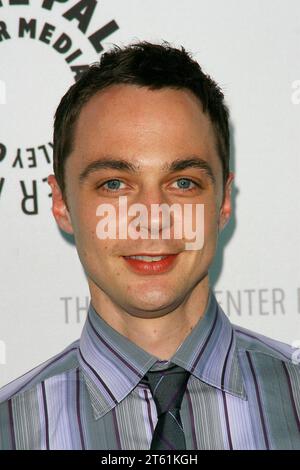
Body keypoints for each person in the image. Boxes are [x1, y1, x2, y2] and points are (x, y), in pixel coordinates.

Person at [0, 41, 299, 451]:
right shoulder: (9, 429)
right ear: (61, 203)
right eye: (114, 184)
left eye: (183, 183)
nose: (152, 217)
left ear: (223, 203)